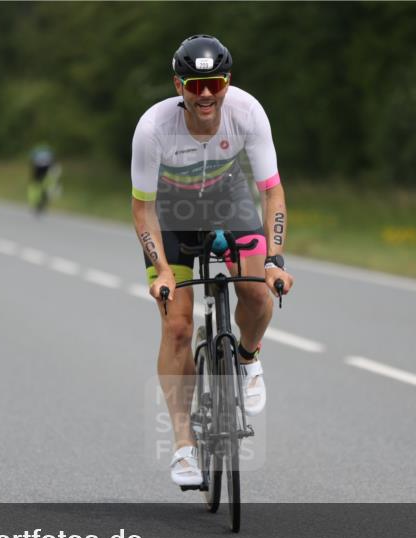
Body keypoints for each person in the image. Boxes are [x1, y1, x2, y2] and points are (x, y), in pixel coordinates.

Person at [130, 35, 294, 487]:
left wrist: (275, 258)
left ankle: (247, 357)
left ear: (227, 82)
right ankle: (184, 446)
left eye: (214, 83)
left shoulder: (248, 112)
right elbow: (142, 207)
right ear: (178, 85)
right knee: (177, 325)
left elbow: (271, 190)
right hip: (173, 211)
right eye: (195, 85)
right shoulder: (153, 127)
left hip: (228, 199)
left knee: (259, 292)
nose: (205, 94)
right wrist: (162, 269)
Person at [27, 143, 59, 215]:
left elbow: (31, 162)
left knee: (36, 184)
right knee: (45, 184)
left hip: (38, 169)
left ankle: (38, 200)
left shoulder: (36, 152)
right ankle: (45, 195)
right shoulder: (48, 152)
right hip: (46, 169)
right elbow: (54, 164)